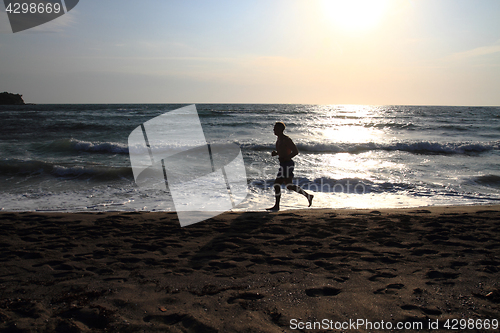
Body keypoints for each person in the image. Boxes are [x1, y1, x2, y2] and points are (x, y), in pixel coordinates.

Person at [267, 122, 313, 211]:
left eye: (275, 128)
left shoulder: (286, 139)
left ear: (280, 129)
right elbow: (284, 150)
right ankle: (308, 196)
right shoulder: (279, 139)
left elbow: (295, 151)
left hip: (287, 164)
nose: (273, 130)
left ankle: (277, 206)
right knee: (289, 186)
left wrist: (286, 158)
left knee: (277, 184)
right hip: (284, 164)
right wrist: (276, 153)